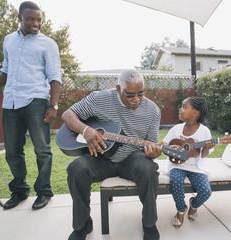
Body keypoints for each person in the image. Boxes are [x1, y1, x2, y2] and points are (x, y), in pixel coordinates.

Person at [62, 69, 161, 240]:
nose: (136, 99)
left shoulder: (152, 110)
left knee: (148, 168)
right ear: (117, 89)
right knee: (76, 168)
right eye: (130, 95)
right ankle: (82, 225)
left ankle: (150, 224)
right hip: (100, 157)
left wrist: (153, 153)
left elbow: (151, 145)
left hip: (132, 158)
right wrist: (85, 130)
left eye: (141, 94)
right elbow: (67, 114)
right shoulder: (99, 98)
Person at [0, 1, 62, 210]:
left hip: (36, 100)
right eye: (30, 19)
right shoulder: (9, 40)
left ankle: (44, 191)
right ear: (19, 18)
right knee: (12, 151)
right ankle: (19, 191)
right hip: (11, 102)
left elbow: (55, 77)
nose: (36, 23)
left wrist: (53, 106)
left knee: (42, 150)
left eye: (39, 19)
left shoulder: (48, 44)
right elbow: (5, 69)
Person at [161, 96, 214, 229]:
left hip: (196, 167)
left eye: (184, 107)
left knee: (206, 191)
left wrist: (206, 147)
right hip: (177, 166)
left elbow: (204, 155)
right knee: (176, 181)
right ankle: (181, 210)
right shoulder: (176, 129)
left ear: (195, 113)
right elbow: (164, 144)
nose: (180, 109)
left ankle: (194, 205)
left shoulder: (204, 131)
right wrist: (170, 148)